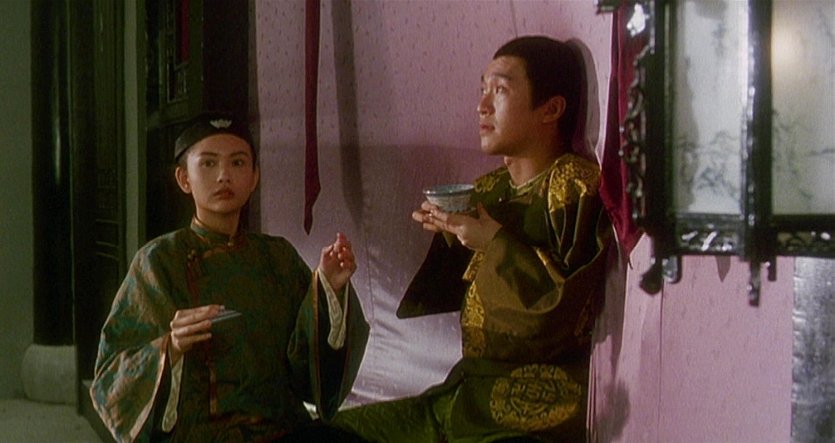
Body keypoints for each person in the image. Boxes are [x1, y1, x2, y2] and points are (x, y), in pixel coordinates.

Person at [332, 35, 612, 442]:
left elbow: (562, 313)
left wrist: (491, 241)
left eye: (500, 90)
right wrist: (451, 232)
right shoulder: (489, 189)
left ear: (551, 109)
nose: (482, 105)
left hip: (535, 407)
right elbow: (459, 289)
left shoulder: (572, 184)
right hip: (468, 395)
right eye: (482, 89)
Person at [89, 113, 368, 442]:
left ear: (254, 177)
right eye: (208, 164)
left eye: (238, 163)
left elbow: (308, 371)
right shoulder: (159, 261)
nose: (224, 176)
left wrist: (329, 288)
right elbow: (111, 379)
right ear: (184, 179)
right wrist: (170, 346)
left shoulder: (277, 256)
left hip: (284, 429)